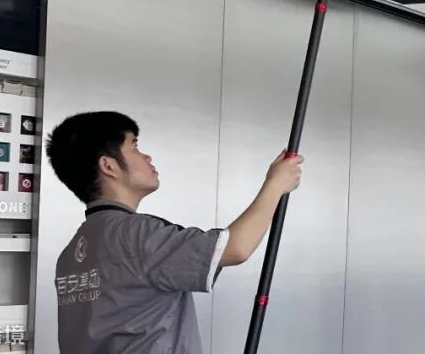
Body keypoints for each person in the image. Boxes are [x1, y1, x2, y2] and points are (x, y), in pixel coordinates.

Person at [45, 111, 303, 353]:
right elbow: (235, 248)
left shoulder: (70, 255)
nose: (147, 157)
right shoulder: (138, 235)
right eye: (135, 147)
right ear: (108, 166)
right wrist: (276, 184)